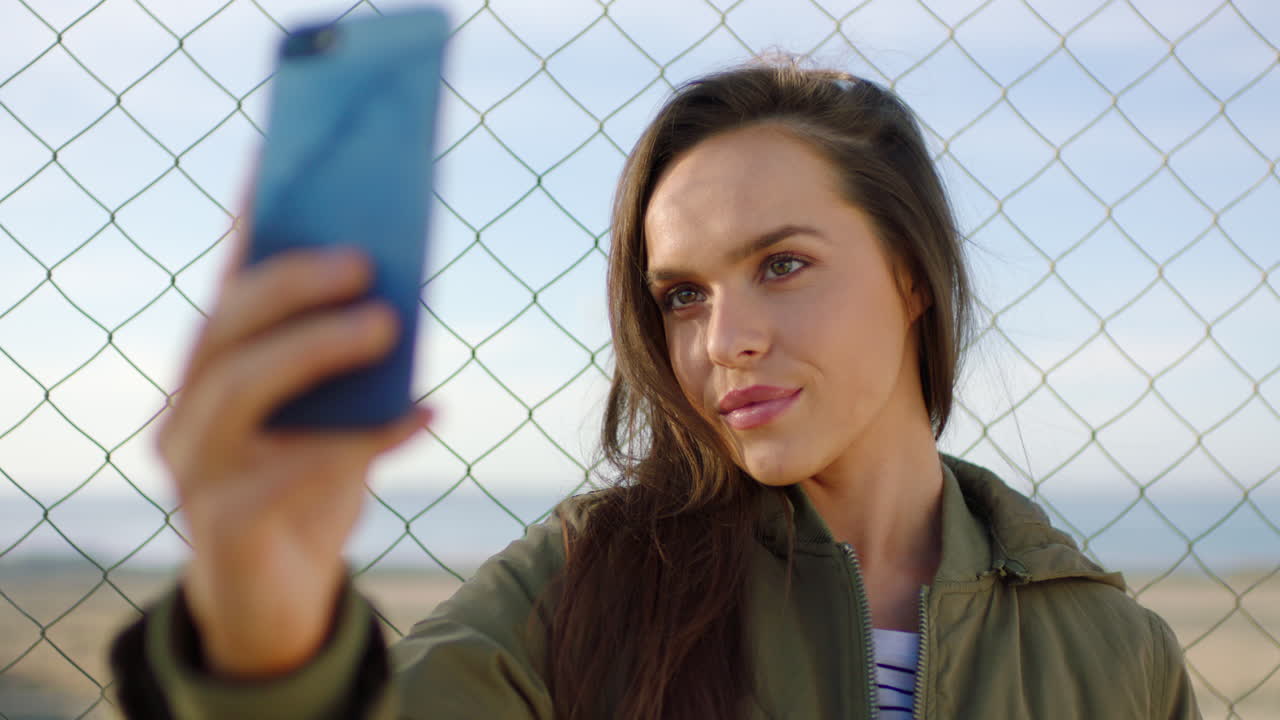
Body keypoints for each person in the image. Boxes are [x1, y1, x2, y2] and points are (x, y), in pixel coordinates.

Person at [110, 58, 1201, 719]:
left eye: (780, 264)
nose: (722, 340)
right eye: (681, 295)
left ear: (910, 275)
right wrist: (261, 625)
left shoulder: (1110, 653)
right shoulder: (588, 583)